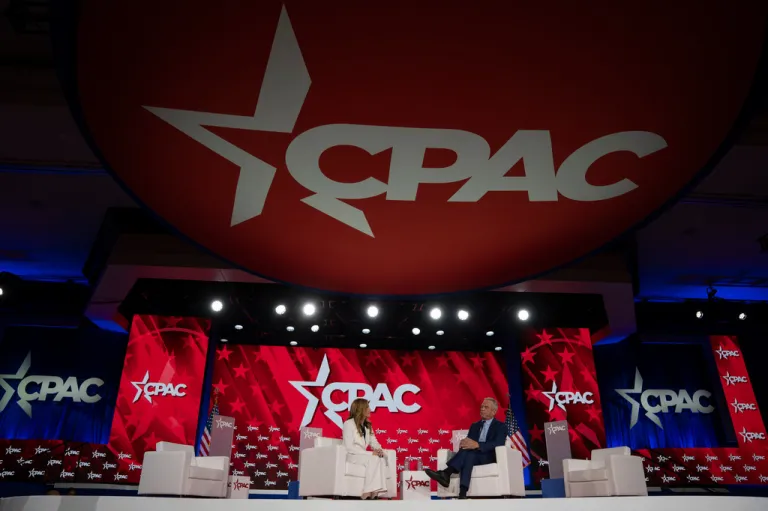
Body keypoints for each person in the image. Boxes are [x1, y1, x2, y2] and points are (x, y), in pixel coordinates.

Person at [424, 397, 507, 499]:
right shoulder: (474, 425)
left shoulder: (500, 426)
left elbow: (498, 443)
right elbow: (469, 444)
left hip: (488, 456)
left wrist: (478, 445)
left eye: (486, 407)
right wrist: (464, 444)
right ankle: (462, 493)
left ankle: (446, 474)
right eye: (481, 407)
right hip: (473, 455)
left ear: (494, 411)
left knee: (468, 454)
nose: (482, 409)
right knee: (468, 454)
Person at [342, 398, 388, 499]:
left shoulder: (368, 426)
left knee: (379, 459)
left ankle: (373, 493)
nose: (370, 409)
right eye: (367, 407)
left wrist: (379, 450)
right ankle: (369, 493)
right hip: (352, 456)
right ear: (360, 409)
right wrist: (371, 453)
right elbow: (349, 447)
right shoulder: (348, 424)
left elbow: (374, 442)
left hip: (363, 456)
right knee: (374, 458)